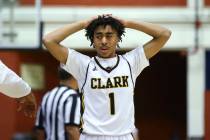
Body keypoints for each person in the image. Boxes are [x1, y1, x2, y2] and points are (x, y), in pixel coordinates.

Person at [43, 14, 171, 140]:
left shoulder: (131, 62)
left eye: (109, 36)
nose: (104, 41)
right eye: (98, 36)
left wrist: (127, 23)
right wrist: (83, 24)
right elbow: (49, 40)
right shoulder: (84, 65)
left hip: (123, 136)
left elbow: (164, 34)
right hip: (91, 136)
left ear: (118, 38)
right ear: (92, 39)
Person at [35, 67, 81, 140]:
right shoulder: (72, 96)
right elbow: (71, 129)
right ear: (75, 75)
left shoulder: (47, 96)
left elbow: (39, 130)